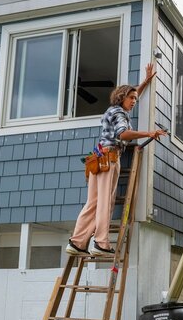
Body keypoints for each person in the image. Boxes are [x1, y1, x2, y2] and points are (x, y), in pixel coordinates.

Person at [66, 63, 166, 256]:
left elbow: (134, 92)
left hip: (98, 158)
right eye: (131, 98)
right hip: (110, 158)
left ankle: (77, 242)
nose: (135, 101)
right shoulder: (120, 113)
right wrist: (150, 133)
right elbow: (123, 134)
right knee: (106, 202)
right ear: (121, 97)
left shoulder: (113, 110)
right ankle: (101, 243)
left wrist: (145, 81)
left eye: (136, 98)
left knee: (93, 202)